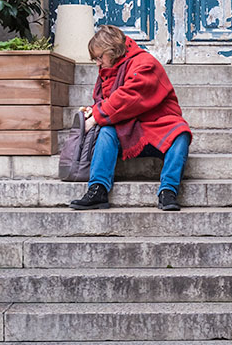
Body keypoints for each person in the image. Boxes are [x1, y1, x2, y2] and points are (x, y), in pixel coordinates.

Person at [68, 25, 193, 211]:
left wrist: (97, 116)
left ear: (113, 51)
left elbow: (129, 97)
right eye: (95, 59)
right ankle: (98, 189)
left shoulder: (145, 63)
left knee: (181, 134)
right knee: (107, 131)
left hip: (157, 124)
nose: (97, 64)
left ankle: (168, 191)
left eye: (99, 57)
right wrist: (95, 109)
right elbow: (110, 100)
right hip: (129, 126)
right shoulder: (111, 66)